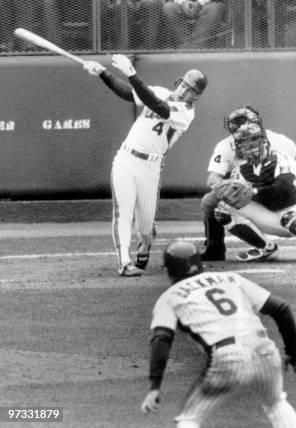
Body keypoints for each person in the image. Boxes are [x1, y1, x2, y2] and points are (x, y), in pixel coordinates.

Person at [140, 239, 296, 427]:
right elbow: (281, 308)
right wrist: (293, 352)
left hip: (228, 357)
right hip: (265, 349)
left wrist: (155, 386)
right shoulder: (231, 278)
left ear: (169, 270)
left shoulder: (170, 296)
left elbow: (161, 338)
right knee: (276, 403)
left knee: (189, 418)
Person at [82, 56, 207, 276]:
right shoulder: (159, 90)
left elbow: (159, 107)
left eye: (191, 90)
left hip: (151, 166)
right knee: (124, 213)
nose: (185, 91)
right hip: (125, 158)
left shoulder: (187, 113)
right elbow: (128, 93)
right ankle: (124, 263)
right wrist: (103, 72)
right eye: (184, 85)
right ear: (178, 82)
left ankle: (145, 244)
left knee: (145, 226)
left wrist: (132, 73)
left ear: (196, 97)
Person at [200, 105, 296, 262]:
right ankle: (216, 247)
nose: (243, 133)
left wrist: (280, 170)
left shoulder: (280, 141)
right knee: (210, 201)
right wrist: (233, 186)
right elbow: (213, 179)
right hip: (245, 189)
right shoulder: (226, 145)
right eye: (238, 130)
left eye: (248, 129)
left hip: (280, 186)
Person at [162, 0, 229, 49]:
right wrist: (182, 2)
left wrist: (200, 2)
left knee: (214, 7)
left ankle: (197, 48)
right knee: (169, 7)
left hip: (208, 3)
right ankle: (184, 48)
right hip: (179, 5)